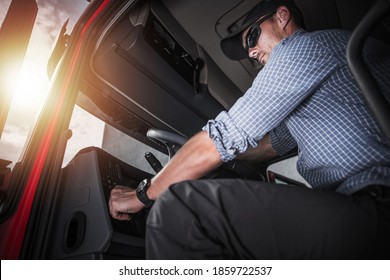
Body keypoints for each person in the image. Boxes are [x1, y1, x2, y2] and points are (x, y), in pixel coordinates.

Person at [109, 0, 390, 259]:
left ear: (282, 16)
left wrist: (142, 194)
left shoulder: (299, 49)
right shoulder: (325, 76)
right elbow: (269, 146)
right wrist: (202, 160)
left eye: (252, 37)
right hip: (361, 204)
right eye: (249, 50)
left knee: (179, 210)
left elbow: (222, 137)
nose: (252, 52)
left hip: (373, 203)